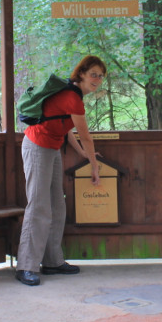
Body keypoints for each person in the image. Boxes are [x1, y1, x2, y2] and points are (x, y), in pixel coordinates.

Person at [14, 55, 105, 286]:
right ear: (81, 73)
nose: (98, 79)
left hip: (52, 149)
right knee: (38, 205)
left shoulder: (72, 95)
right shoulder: (72, 98)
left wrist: (82, 154)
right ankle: (26, 266)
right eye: (93, 74)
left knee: (57, 205)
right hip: (36, 148)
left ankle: (53, 261)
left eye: (101, 76)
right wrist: (94, 167)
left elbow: (66, 129)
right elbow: (86, 136)